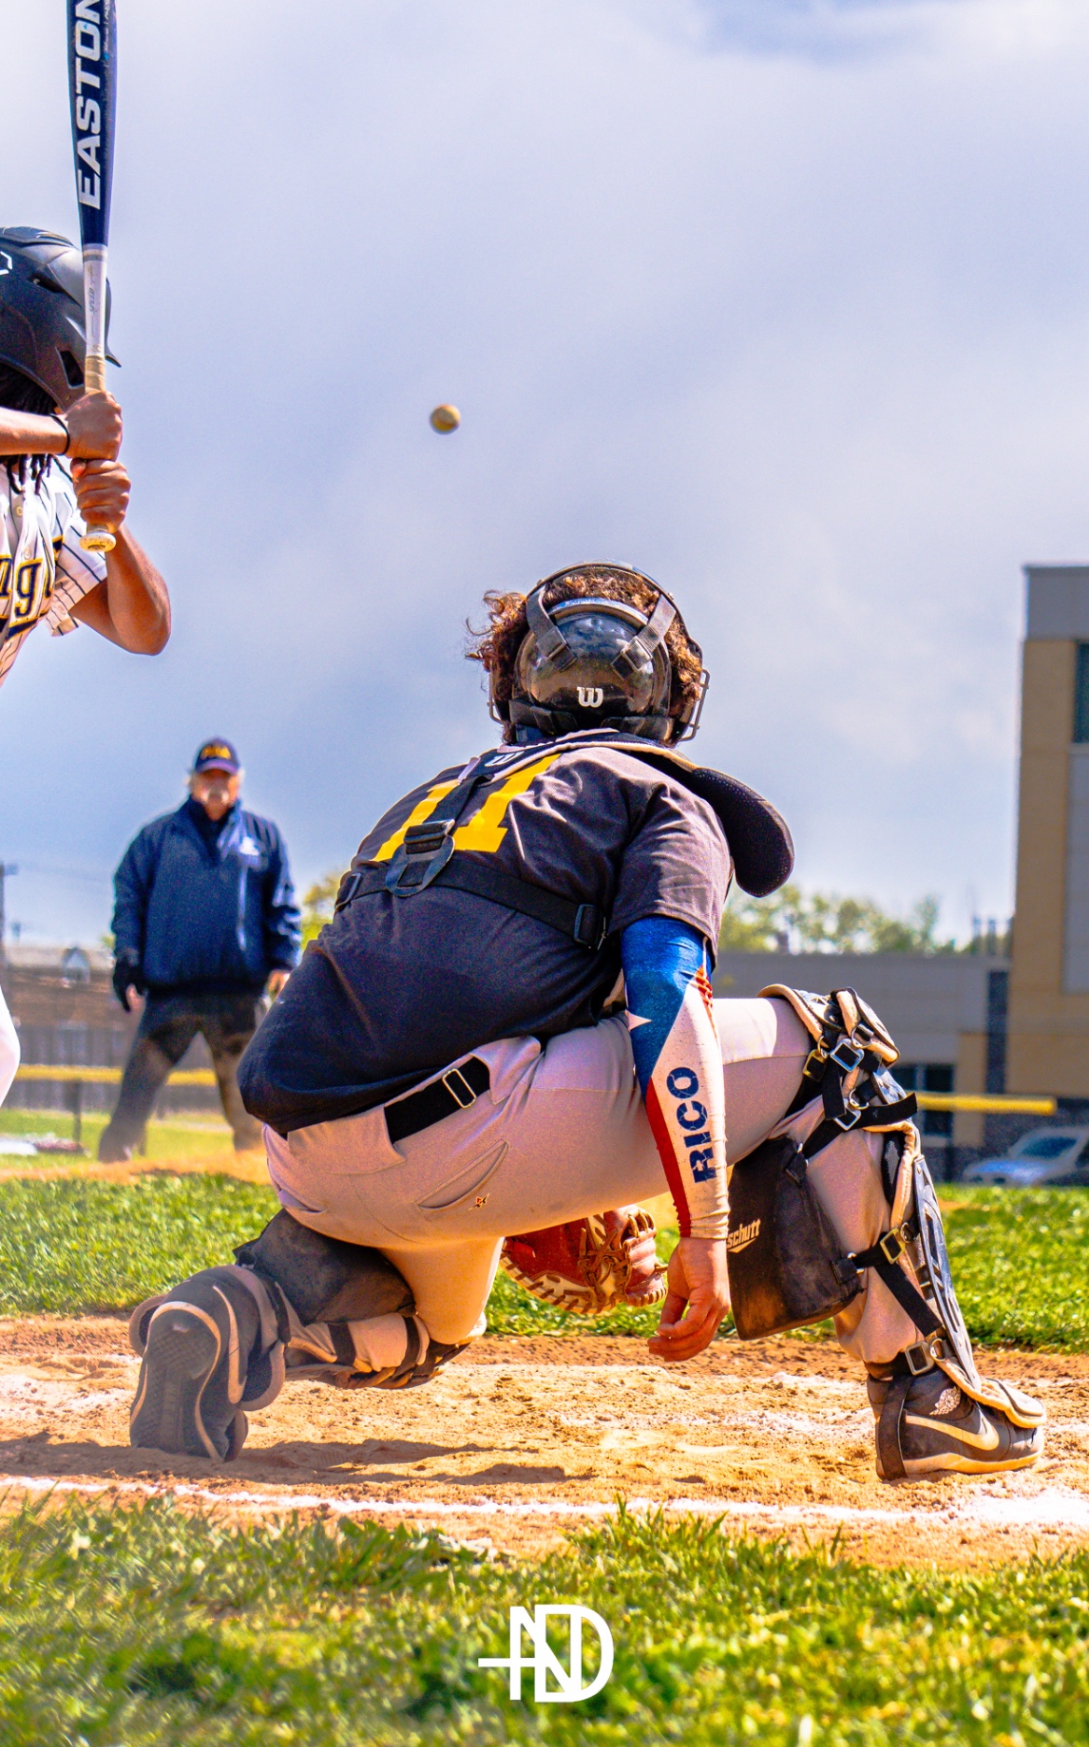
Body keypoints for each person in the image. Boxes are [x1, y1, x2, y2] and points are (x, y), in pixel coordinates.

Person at [127, 565, 1043, 1485]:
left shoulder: (437, 799)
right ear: (673, 697)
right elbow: (663, 993)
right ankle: (931, 1394)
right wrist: (701, 1226)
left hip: (307, 1156)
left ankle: (246, 1319)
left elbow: (451, 989)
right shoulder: (657, 790)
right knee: (836, 1047)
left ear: (508, 689)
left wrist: (561, 1178)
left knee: (437, 1328)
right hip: (469, 1129)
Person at [0, 226, 170, 1110]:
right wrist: (67, 435)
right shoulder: (39, 449)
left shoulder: (43, 486)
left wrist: (111, 509)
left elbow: (144, 629)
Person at [98, 739, 300, 1161]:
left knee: (247, 1089)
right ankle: (114, 1160)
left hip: (239, 992)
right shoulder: (158, 837)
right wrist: (128, 955)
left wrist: (284, 959)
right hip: (173, 989)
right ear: (192, 781)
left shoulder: (262, 837)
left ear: (237, 783)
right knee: (140, 1082)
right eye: (208, 776)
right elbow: (129, 894)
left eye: (224, 777)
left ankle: (253, 1168)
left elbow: (281, 902)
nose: (215, 785)